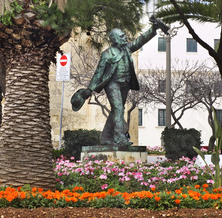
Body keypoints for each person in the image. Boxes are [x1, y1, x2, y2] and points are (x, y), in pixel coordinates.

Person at [71, 16, 169, 146]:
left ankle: (105, 137)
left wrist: (153, 28)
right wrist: (90, 89)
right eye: (122, 36)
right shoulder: (107, 54)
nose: (125, 38)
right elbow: (98, 73)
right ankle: (119, 138)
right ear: (114, 39)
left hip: (125, 84)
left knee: (116, 110)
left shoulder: (127, 48)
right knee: (118, 109)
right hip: (112, 84)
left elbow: (141, 40)